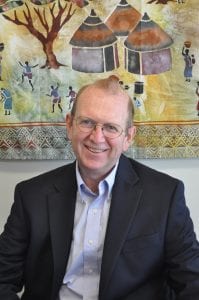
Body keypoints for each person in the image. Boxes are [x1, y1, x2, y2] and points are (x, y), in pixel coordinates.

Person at [0, 75, 199, 300]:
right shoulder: (31, 195)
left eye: (111, 127)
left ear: (128, 137)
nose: (97, 137)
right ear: (69, 125)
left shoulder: (165, 196)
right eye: (86, 122)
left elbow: (192, 280)